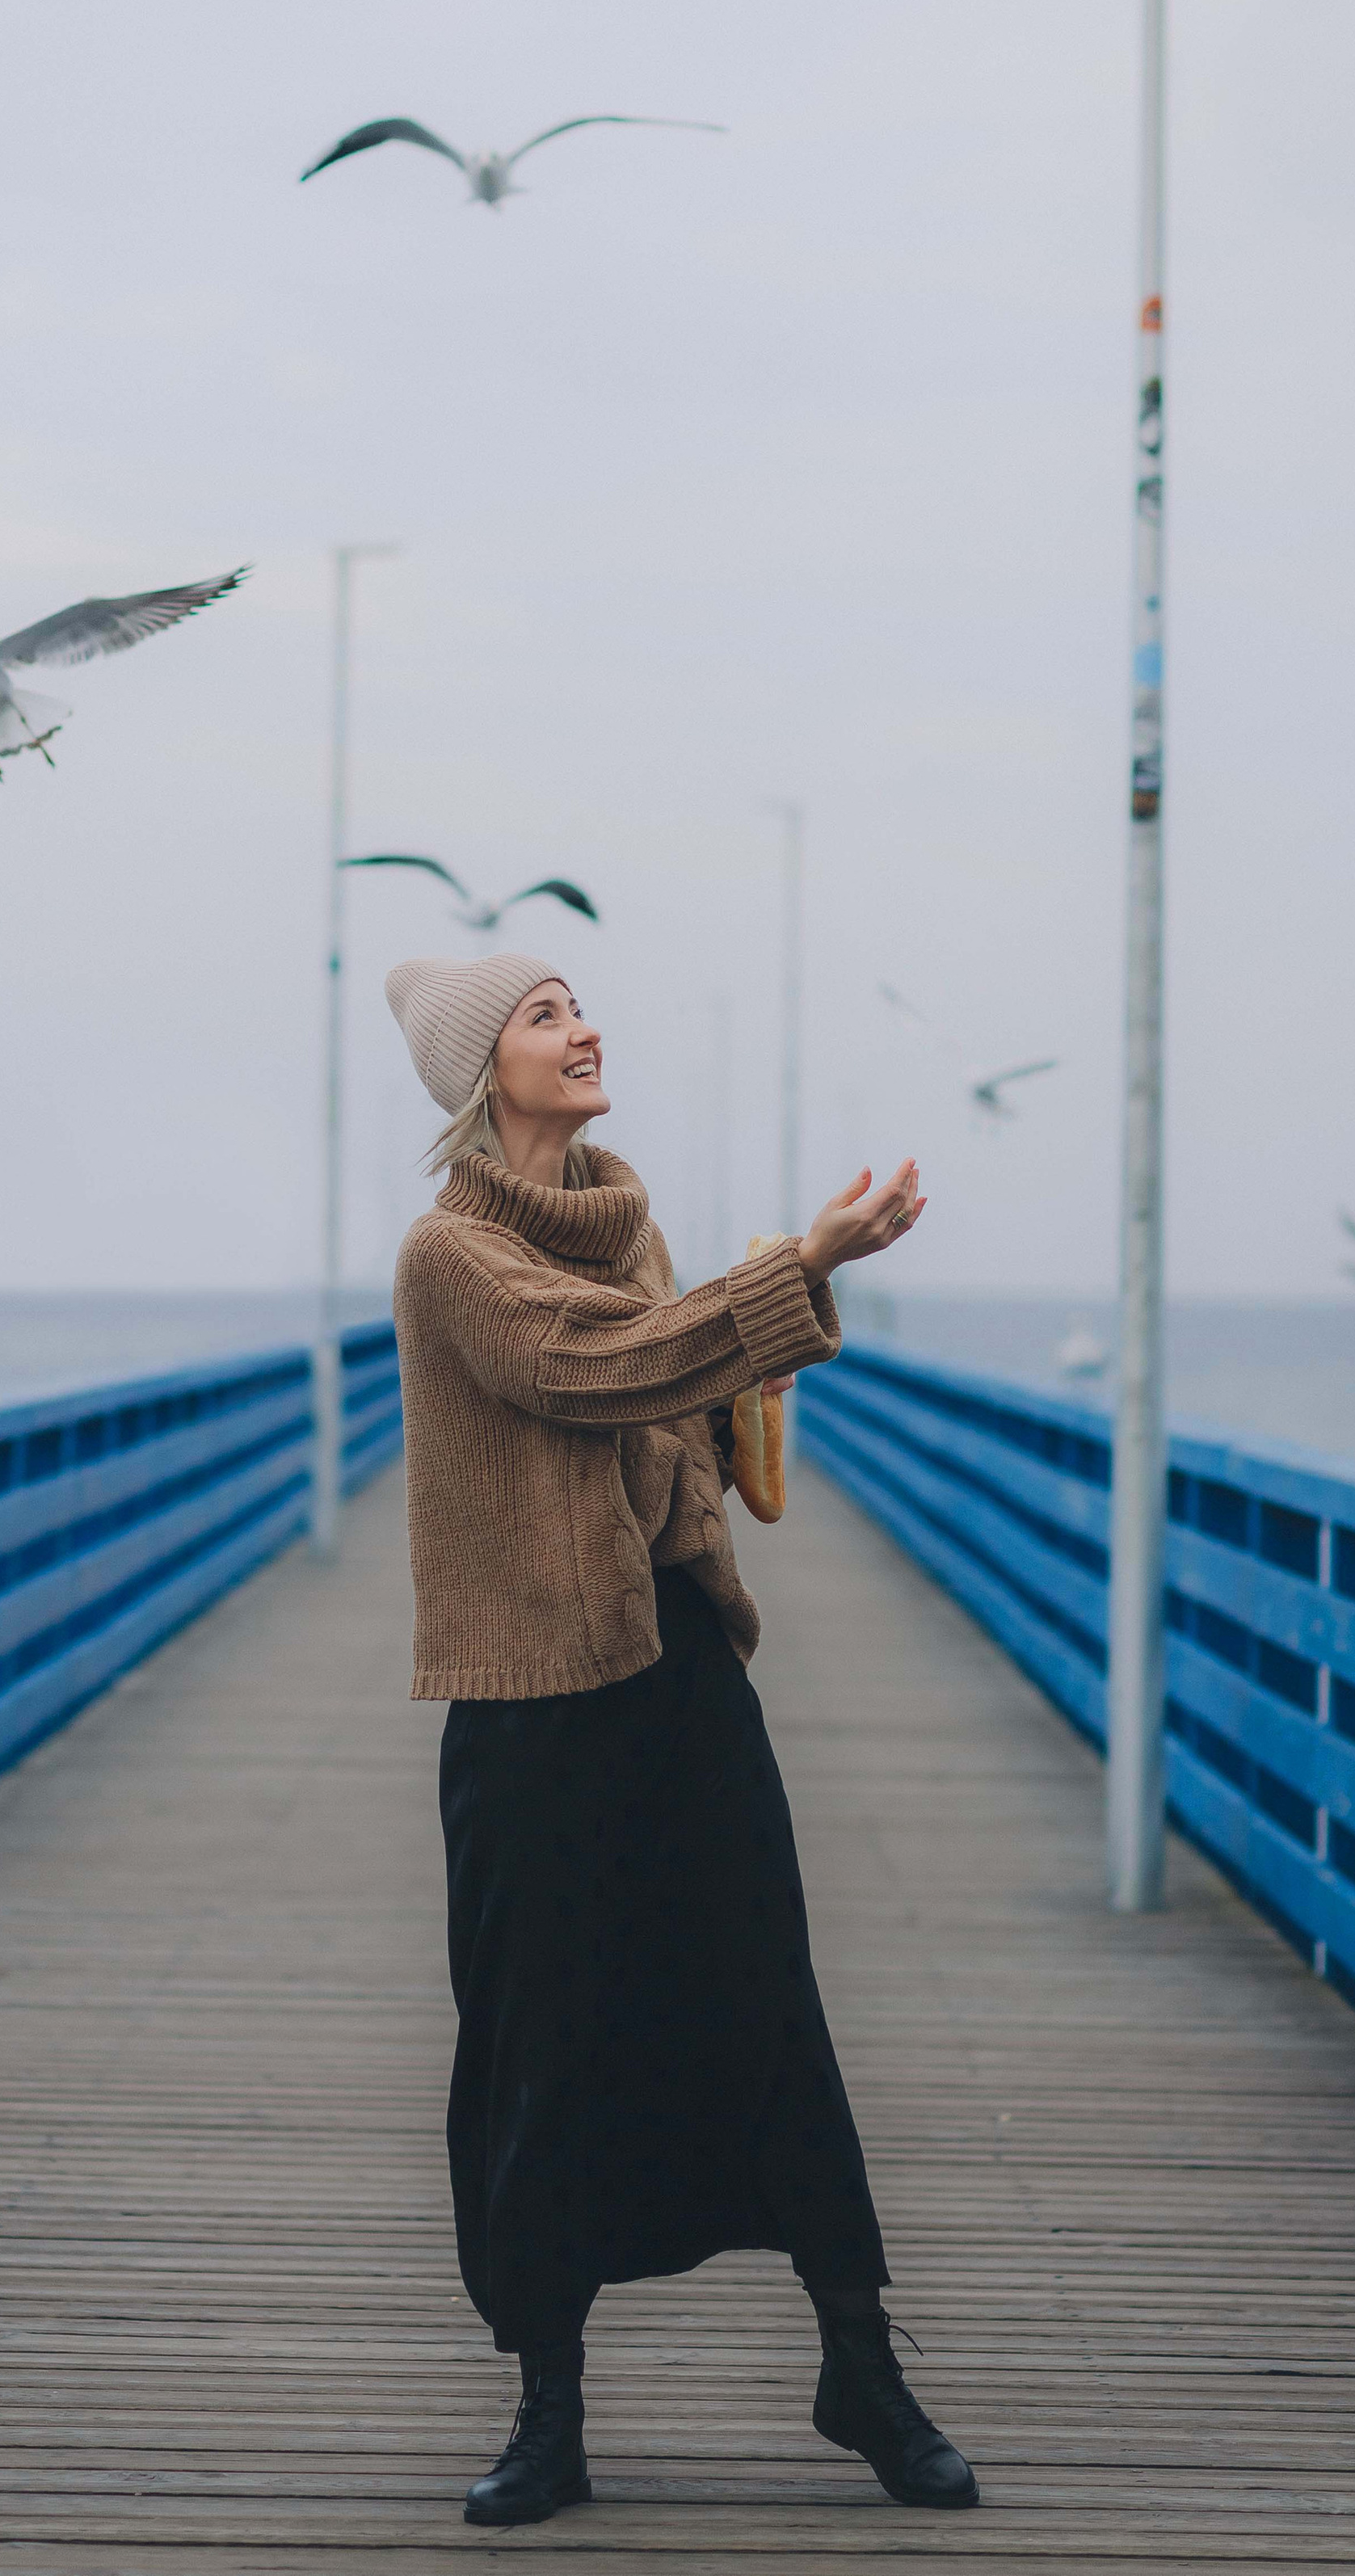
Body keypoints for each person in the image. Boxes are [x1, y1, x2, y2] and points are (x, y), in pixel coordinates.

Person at [386, 949, 977, 2528]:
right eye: (539, 1014)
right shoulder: (449, 1258)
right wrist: (800, 1268)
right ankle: (548, 2409)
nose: (580, 1028)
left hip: (672, 1670)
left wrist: (735, 1384)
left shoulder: (624, 1219)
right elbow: (589, 1371)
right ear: (475, 1075)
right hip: (528, 1698)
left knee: (765, 2005)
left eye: (577, 1004)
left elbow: (662, 1404)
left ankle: (859, 2364)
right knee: (543, 2043)